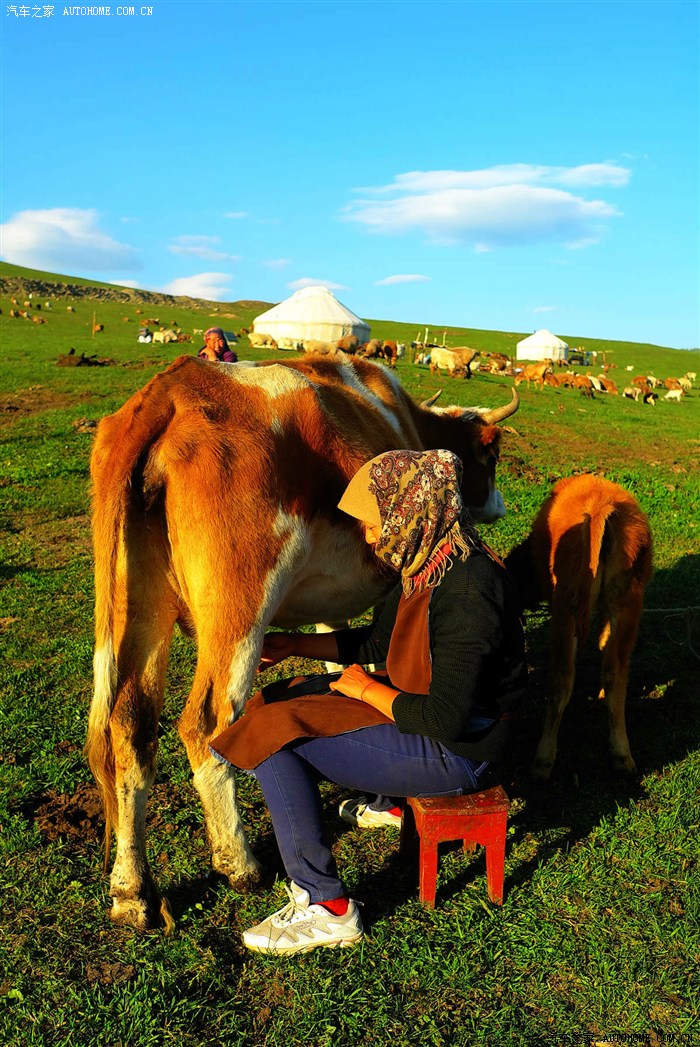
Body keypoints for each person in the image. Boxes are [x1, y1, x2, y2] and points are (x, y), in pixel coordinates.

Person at [209, 449, 526, 956]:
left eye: (376, 521)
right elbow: (378, 646)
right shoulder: (428, 559)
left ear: (409, 511)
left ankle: (326, 905)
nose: (371, 535)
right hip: (420, 715)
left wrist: (365, 690)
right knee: (273, 699)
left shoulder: (469, 591)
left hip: (462, 752)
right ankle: (386, 803)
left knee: (274, 736)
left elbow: (446, 718)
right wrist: (295, 646)